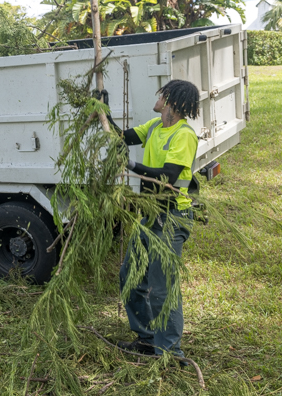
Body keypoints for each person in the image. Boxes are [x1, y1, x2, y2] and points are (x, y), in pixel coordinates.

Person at [101, 79, 200, 359]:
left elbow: (167, 177)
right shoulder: (156, 126)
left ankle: (169, 351)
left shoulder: (184, 135)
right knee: (130, 277)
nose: (158, 97)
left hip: (171, 218)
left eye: (163, 95)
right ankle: (146, 339)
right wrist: (103, 109)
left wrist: (131, 164)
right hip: (150, 215)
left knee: (161, 287)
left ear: (173, 104)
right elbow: (121, 136)